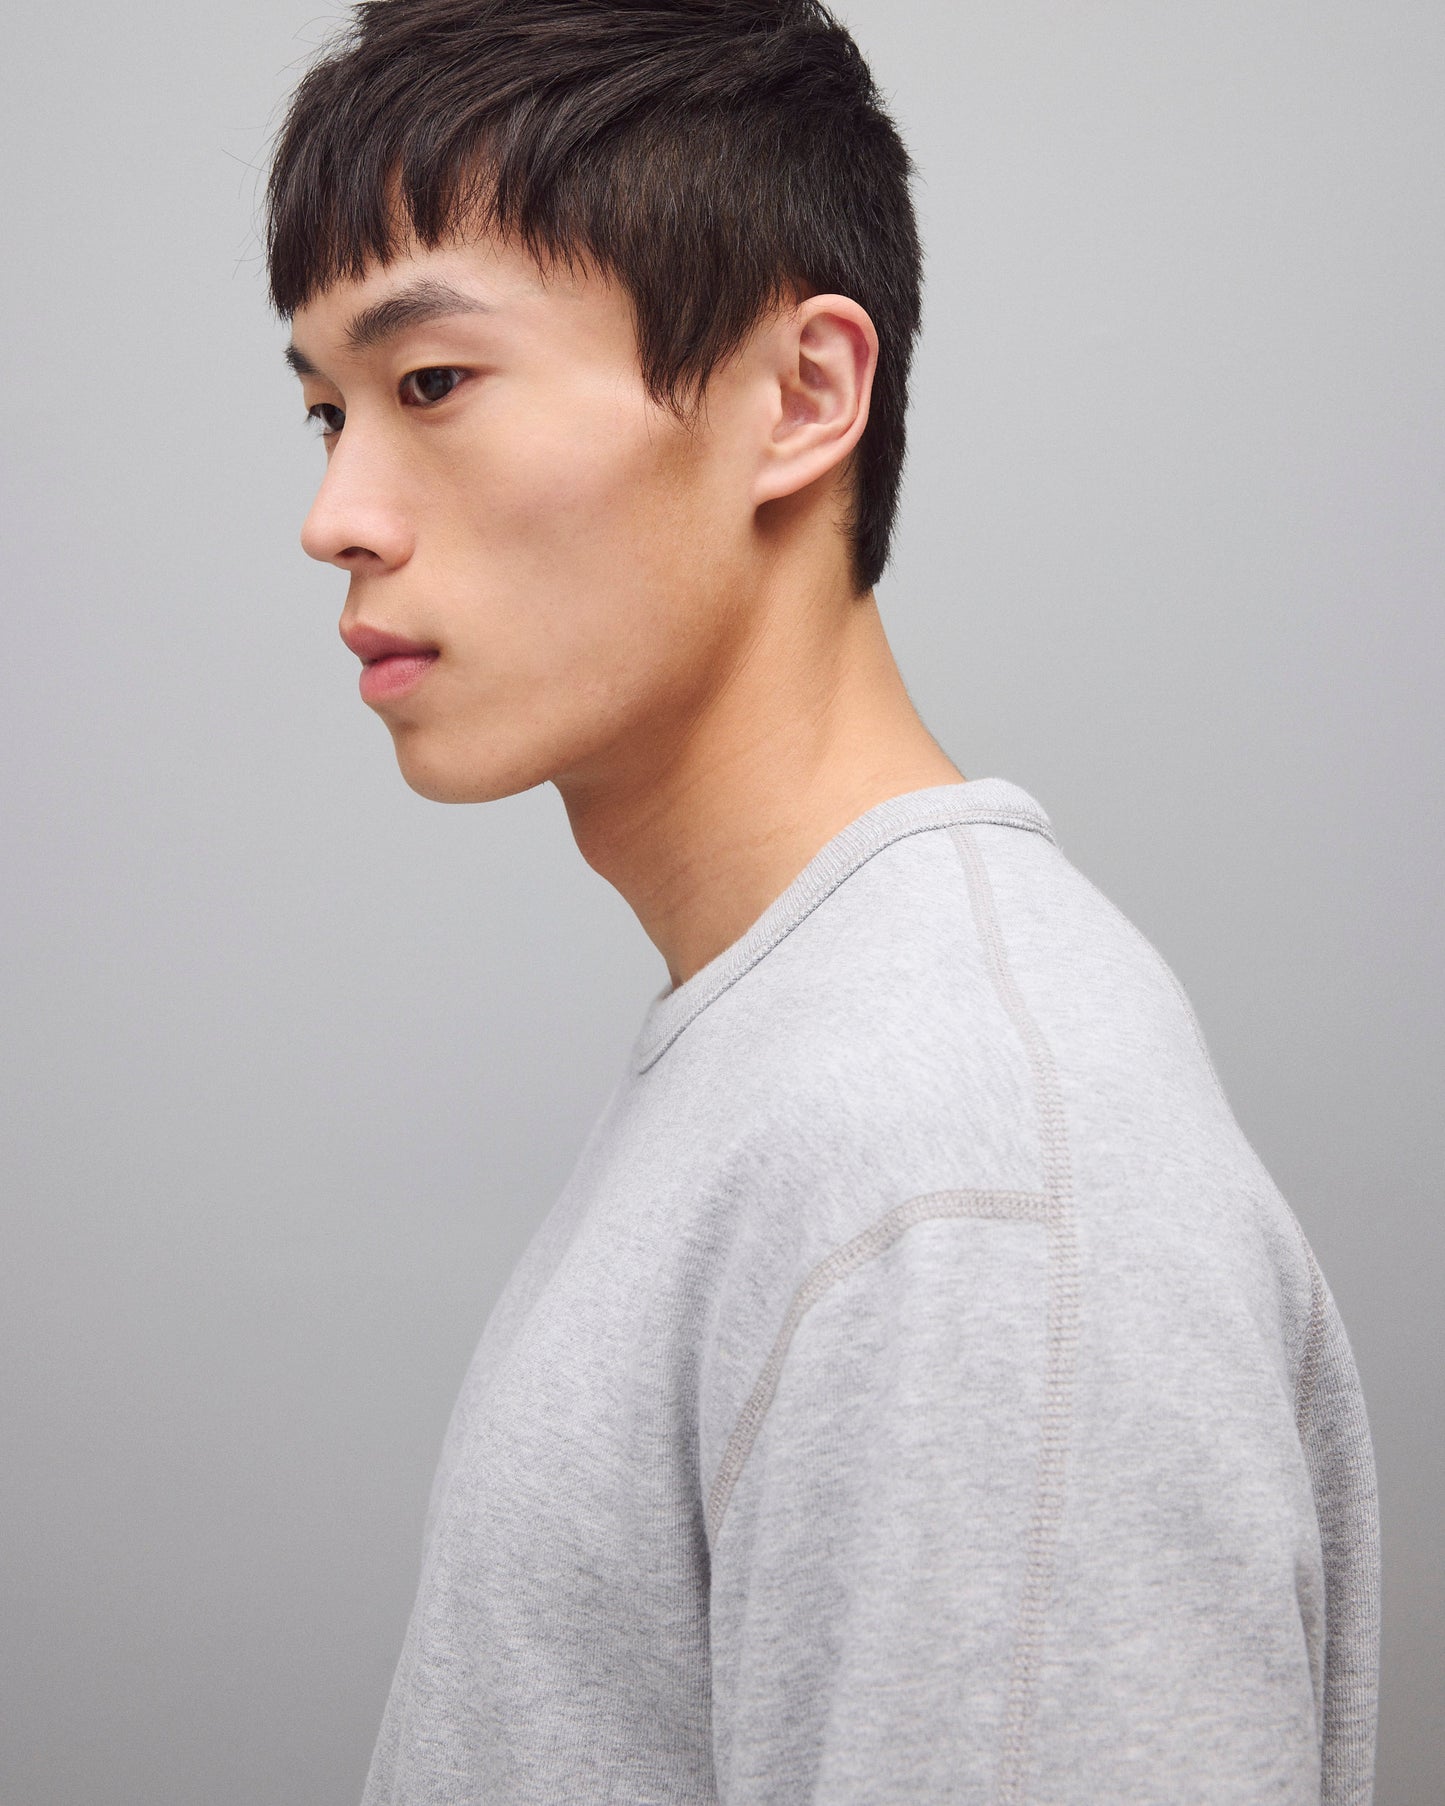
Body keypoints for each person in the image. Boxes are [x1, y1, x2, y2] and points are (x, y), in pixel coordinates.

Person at [265, 2, 1381, 1800]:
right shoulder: (807, 1065)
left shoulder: (955, 1168)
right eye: (326, 410)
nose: (335, 514)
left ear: (798, 396)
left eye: (432, 383)